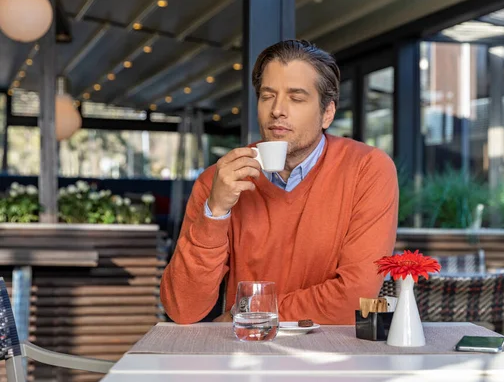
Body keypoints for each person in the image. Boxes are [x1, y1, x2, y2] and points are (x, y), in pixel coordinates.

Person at [160, 39, 399, 325]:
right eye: (267, 95)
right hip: (246, 354)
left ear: (327, 113)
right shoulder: (219, 180)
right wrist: (216, 211)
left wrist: (246, 313)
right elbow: (182, 309)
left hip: (331, 359)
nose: (277, 110)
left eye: (296, 98)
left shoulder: (367, 169)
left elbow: (355, 297)